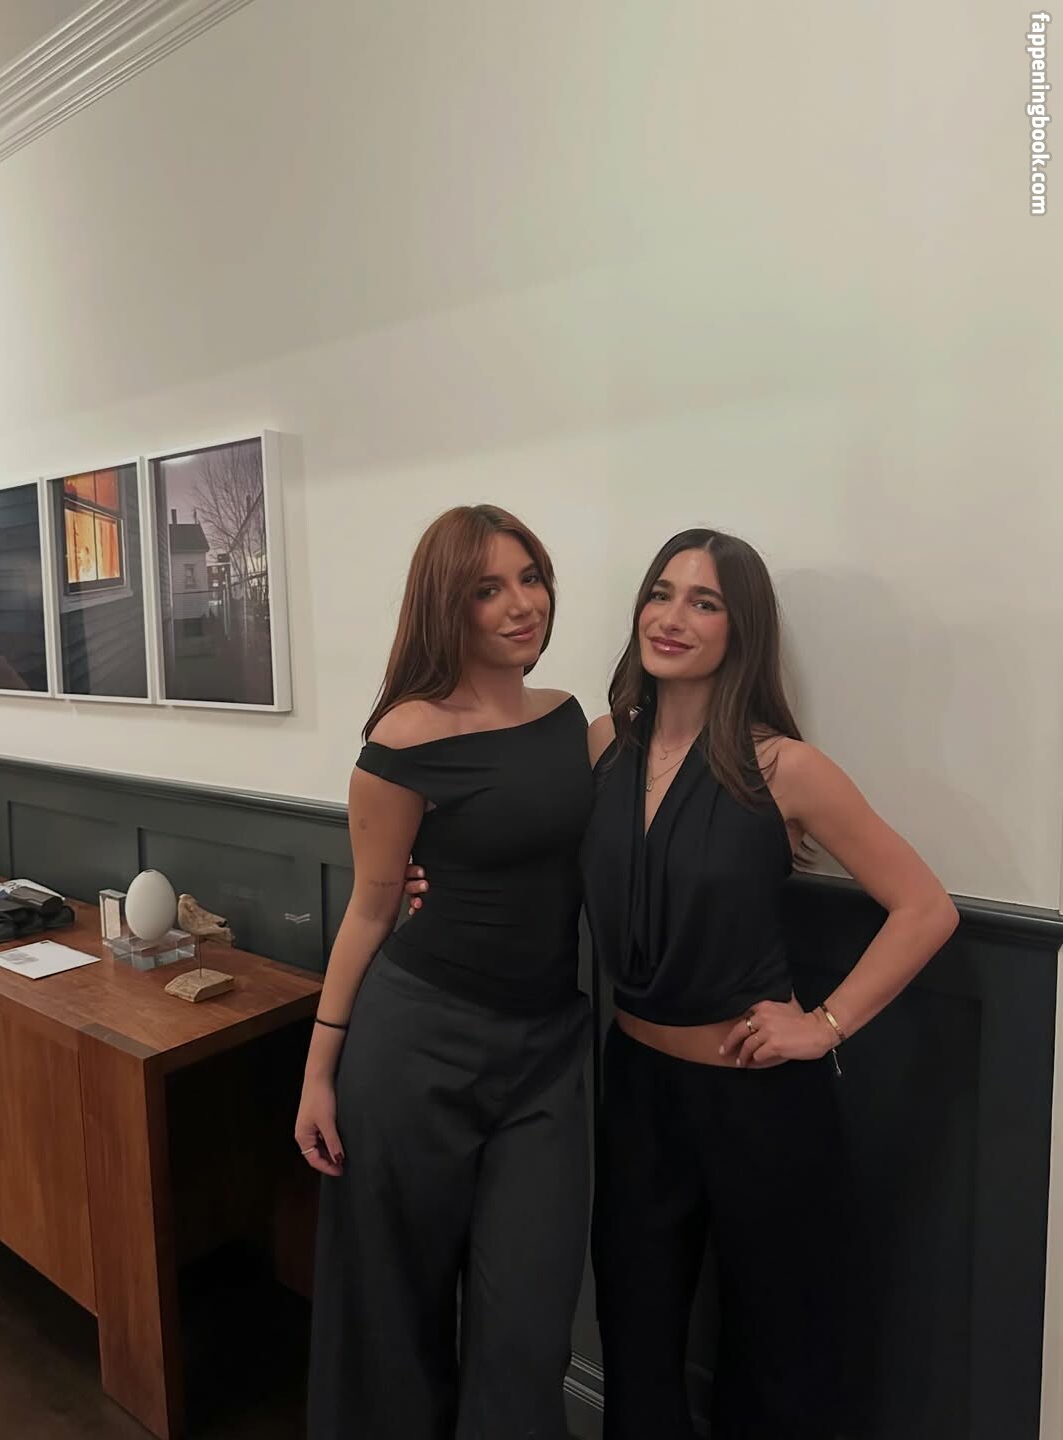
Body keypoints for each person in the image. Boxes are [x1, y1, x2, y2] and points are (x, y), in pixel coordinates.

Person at [408, 526, 958, 1440]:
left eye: (705, 603)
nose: (673, 617)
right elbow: (509, 823)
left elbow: (925, 908)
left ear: (741, 629)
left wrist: (823, 1025)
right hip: (636, 1087)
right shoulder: (599, 746)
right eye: (661, 594)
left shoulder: (783, 767)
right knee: (635, 1334)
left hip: (761, 1100)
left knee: (778, 1348)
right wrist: (424, 873)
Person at [297, 504, 594, 1440]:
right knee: (392, 1313)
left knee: (529, 1327)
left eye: (531, 578)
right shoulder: (403, 741)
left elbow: (664, 773)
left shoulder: (572, 723)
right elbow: (371, 908)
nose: (521, 604)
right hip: (417, 1044)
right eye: (488, 589)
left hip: (549, 1052)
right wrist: (319, 1071)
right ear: (445, 606)